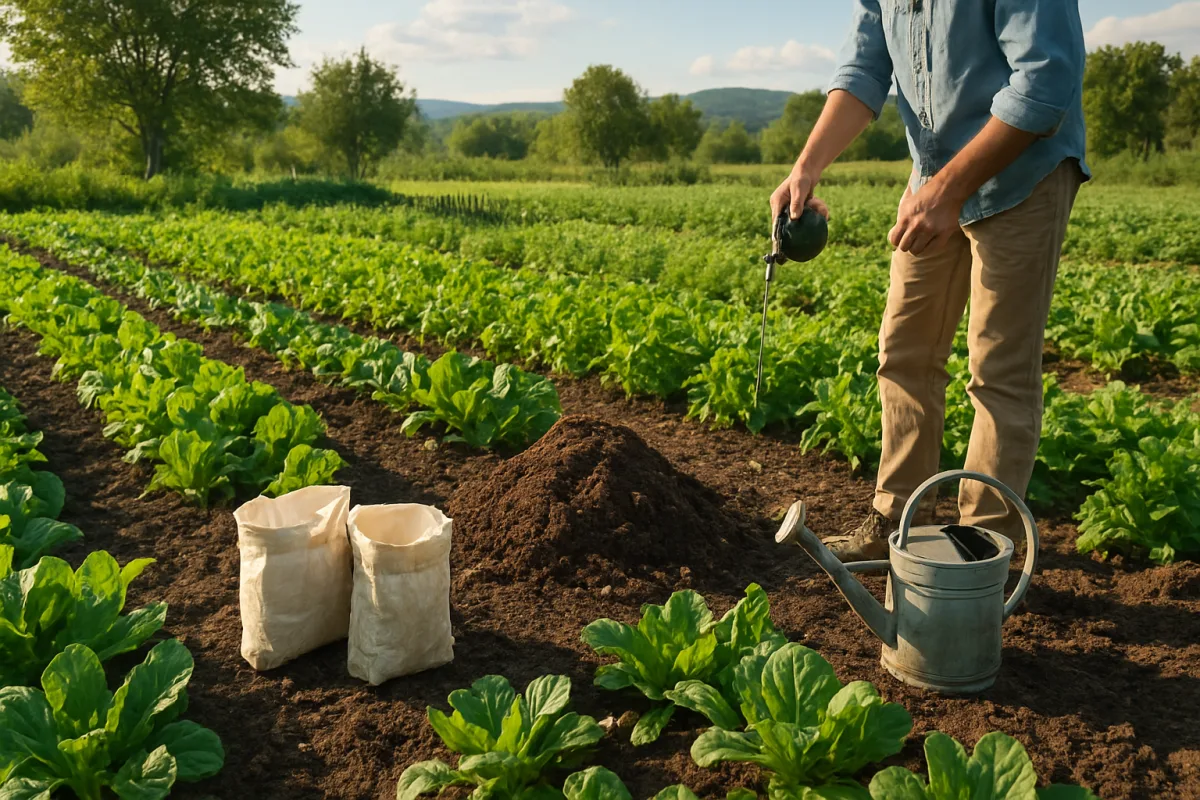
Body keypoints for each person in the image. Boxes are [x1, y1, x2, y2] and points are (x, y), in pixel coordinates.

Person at [771, 0, 1088, 562]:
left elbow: (1046, 79)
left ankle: (981, 552)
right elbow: (866, 69)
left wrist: (949, 192)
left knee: (998, 369)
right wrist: (807, 166)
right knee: (904, 353)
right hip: (932, 177)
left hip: (1023, 174)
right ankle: (897, 519)